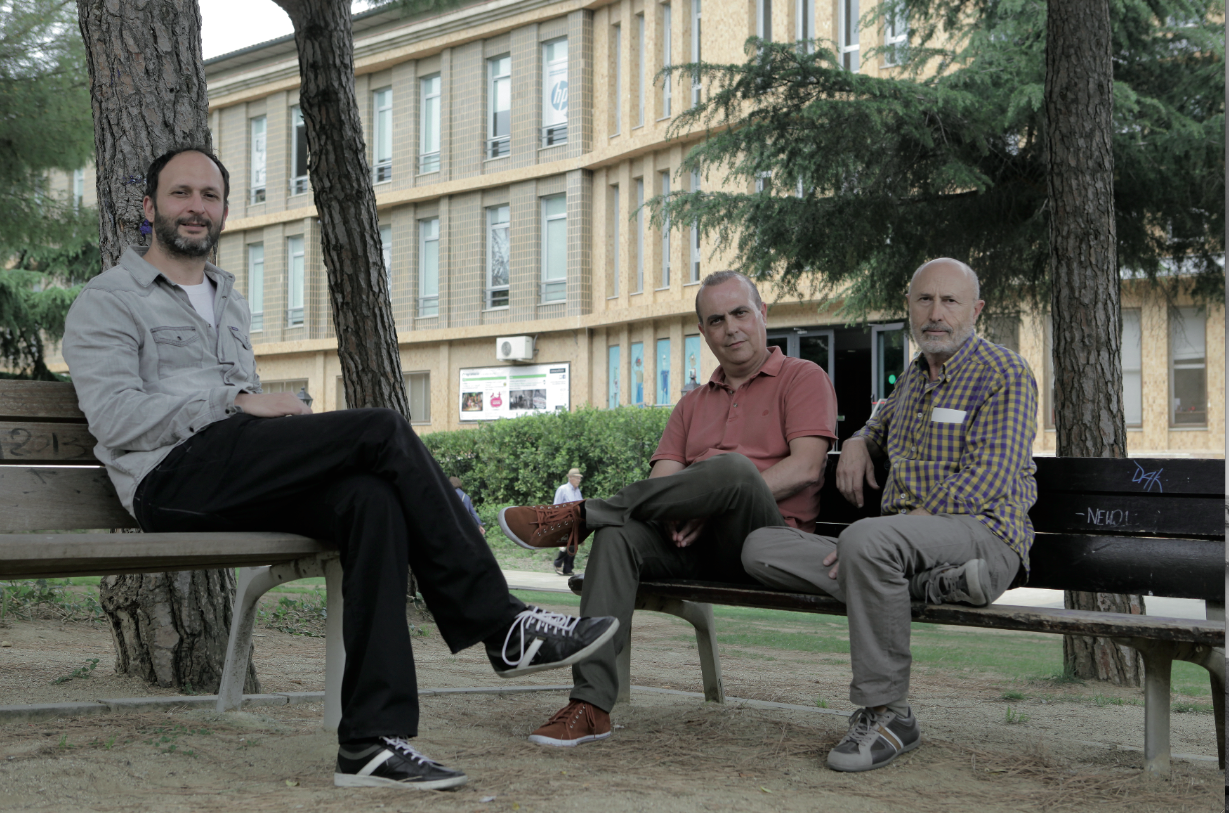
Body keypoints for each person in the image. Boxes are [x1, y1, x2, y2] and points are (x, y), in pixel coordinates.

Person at [61, 146, 618, 792]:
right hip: (169, 481)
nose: (196, 207)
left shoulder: (226, 299)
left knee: (368, 498)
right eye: (181, 193)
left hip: (238, 467)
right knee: (380, 427)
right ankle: (501, 625)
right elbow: (115, 416)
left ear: (224, 210)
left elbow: (243, 422)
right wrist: (237, 402)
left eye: (209, 196)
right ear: (148, 206)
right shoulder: (109, 300)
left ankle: (370, 742)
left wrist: (275, 422)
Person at [497, 270, 838, 747]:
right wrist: (688, 504)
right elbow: (661, 485)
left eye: (741, 312)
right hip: (692, 548)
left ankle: (582, 516)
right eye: (716, 320)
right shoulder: (692, 403)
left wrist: (717, 498)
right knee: (618, 537)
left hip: (766, 544)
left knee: (734, 470)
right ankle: (591, 704)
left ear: (763, 314)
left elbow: (806, 467)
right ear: (704, 333)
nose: (731, 327)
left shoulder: (804, 378)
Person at [741, 258, 1038, 773]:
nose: (935, 313)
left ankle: (888, 713)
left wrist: (898, 529)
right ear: (909, 309)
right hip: (903, 547)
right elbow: (875, 430)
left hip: (982, 533)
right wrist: (857, 441)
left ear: (976, 311)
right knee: (759, 548)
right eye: (924, 300)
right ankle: (928, 583)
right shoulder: (912, 382)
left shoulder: (1004, 373)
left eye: (950, 301)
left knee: (867, 543)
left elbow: (989, 477)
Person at [552, 468, 584, 575]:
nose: (579, 480)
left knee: (573, 545)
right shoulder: (563, 489)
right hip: (565, 520)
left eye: (580, 478)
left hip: (575, 521)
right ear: (570, 478)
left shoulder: (577, 491)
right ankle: (558, 563)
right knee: (566, 544)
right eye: (577, 478)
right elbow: (556, 506)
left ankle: (568, 568)